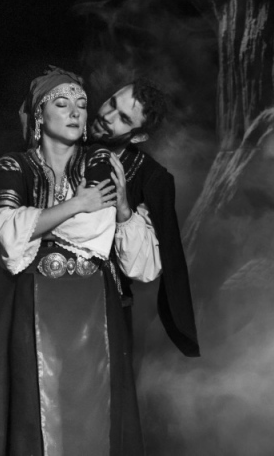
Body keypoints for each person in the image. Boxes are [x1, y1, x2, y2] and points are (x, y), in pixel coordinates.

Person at [0, 67, 169, 456]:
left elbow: (104, 236)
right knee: (34, 417)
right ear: (39, 115)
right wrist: (76, 204)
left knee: (95, 419)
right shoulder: (13, 167)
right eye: (62, 104)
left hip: (94, 307)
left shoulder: (99, 161)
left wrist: (40, 225)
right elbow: (8, 237)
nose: (77, 112)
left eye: (81, 103)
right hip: (34, 306)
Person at [89, 77, 199, 358]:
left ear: (137, 137)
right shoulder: (63, 139)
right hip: (40, 294)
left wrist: (124, 210)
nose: (107, 116)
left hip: (102, 311)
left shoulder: (151, 178)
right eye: (112, 103)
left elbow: (144, 270)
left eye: (124, 118)